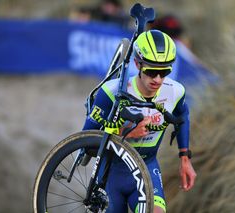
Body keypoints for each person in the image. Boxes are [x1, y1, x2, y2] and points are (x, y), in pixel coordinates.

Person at [83, 29, 197, 212]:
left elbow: (182, 117)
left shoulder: (175, 92)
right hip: (111, 172)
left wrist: (185, 158)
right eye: (152, 72)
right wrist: (123, 135)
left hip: (146, 167)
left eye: (165, 72)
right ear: (137, 64)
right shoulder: (111, 93)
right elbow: (85, 143)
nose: (158, 79)